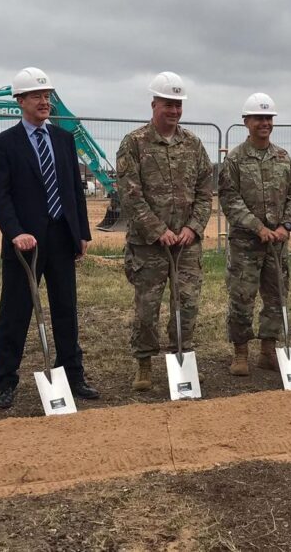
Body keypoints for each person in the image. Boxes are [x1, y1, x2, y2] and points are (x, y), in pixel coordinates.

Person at [0, 67, 98, 408]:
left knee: (66, 308)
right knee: (16, 310)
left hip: (62, 237)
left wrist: (81, 231)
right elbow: (1, 196)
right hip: (25, 244)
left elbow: (73, 190)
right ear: (20, 101)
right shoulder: (4, 144)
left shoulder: (64, 140)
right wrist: (15, 232)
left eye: (47, 95)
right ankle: (5, 380)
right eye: (36, 96)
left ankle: (72, 373)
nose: (44, 101)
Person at [116, 71, 214, 391]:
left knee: (186, 306)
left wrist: (192, 228)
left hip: (186, 245)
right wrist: (158, 230)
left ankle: (181, 360)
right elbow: (130, 194)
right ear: (154, 103)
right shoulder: (134, 143)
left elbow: (204, 192)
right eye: (168, 104)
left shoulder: (193, 145)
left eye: (179, 105)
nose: (174, 111)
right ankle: (144, 364)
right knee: (147, 308)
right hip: (148, 246)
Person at [218, 93, 291, 375]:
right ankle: (241, 352)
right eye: (258, 118)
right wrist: (258, 228)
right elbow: (230, 200)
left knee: (277, 297)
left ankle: (268, 350)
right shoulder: (235, 160)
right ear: (246, 122)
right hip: (245, 244)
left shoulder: (283, 158)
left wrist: (284, 226)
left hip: (276, 244)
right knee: (242, 298)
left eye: (268, 118)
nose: (264, 123)